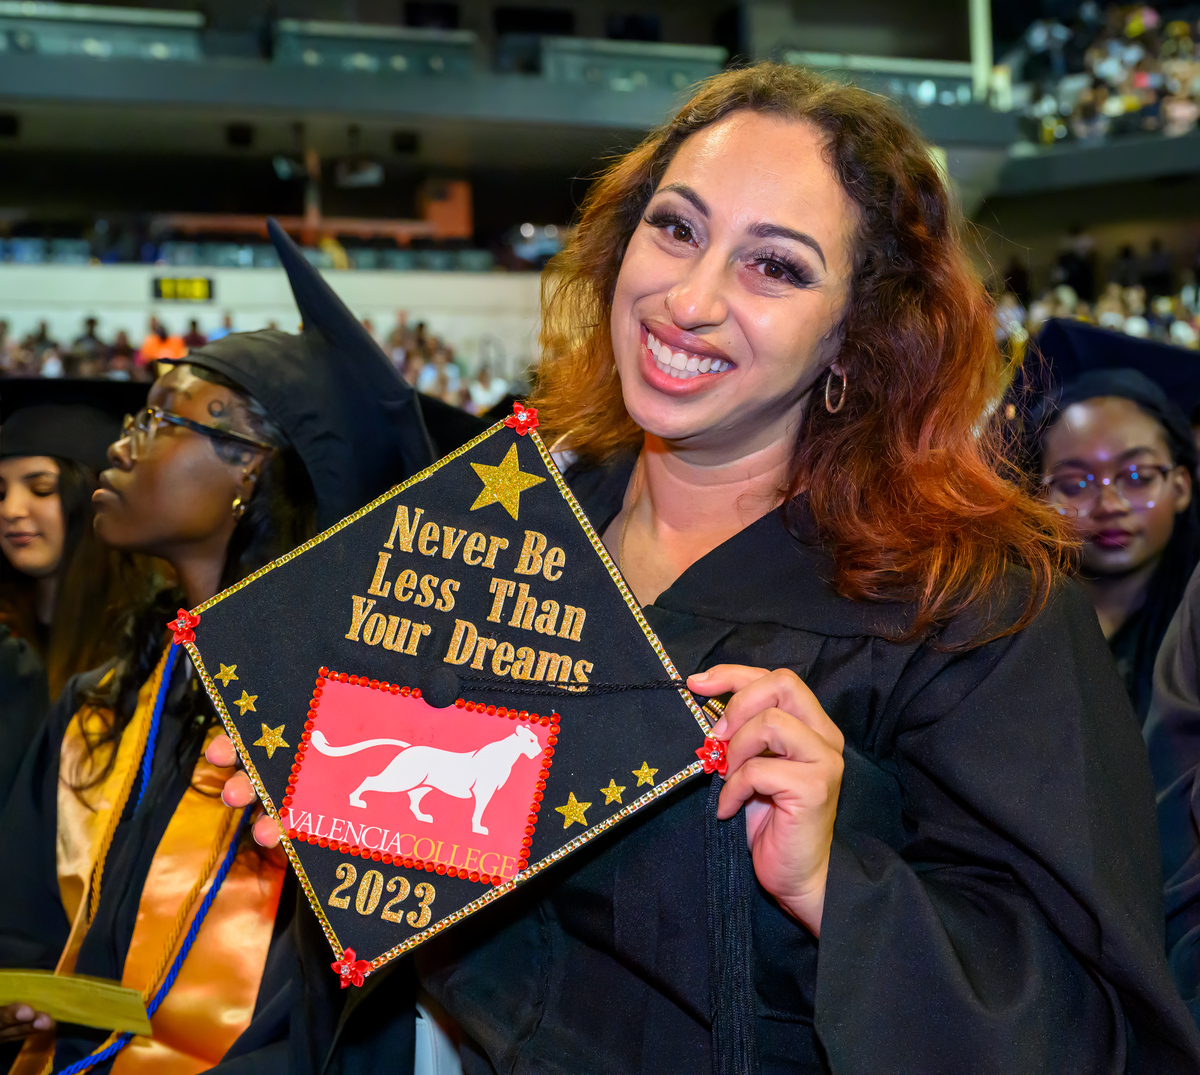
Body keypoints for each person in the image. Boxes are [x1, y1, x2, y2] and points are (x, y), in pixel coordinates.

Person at [211, 63, 1200, 1073]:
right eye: (676, 228)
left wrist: (835, 878)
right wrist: (327, 799)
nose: (688, 298)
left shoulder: (973, 610)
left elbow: (1084, 1028)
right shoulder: (499, 530)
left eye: (776, 266)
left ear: (856, 331)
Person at [0, 221, 435, 1075]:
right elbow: (24, 912)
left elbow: (338, 1024)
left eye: (161, 418)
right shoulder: (109, 696)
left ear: (251, 469)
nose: (122, 445)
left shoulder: (349, 726)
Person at [0, 379, 151, 806]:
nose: (12, 510)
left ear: (94, 495)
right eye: (0, 492)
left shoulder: (144, 639)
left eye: (41, 488)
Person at [1032, 368, 1200, 721]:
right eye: (1075, 484)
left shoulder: (1191, 635)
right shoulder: (1003, 625)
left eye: (1137, 477)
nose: (1109, 505)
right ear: (1038, 498)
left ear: (1181, 487)